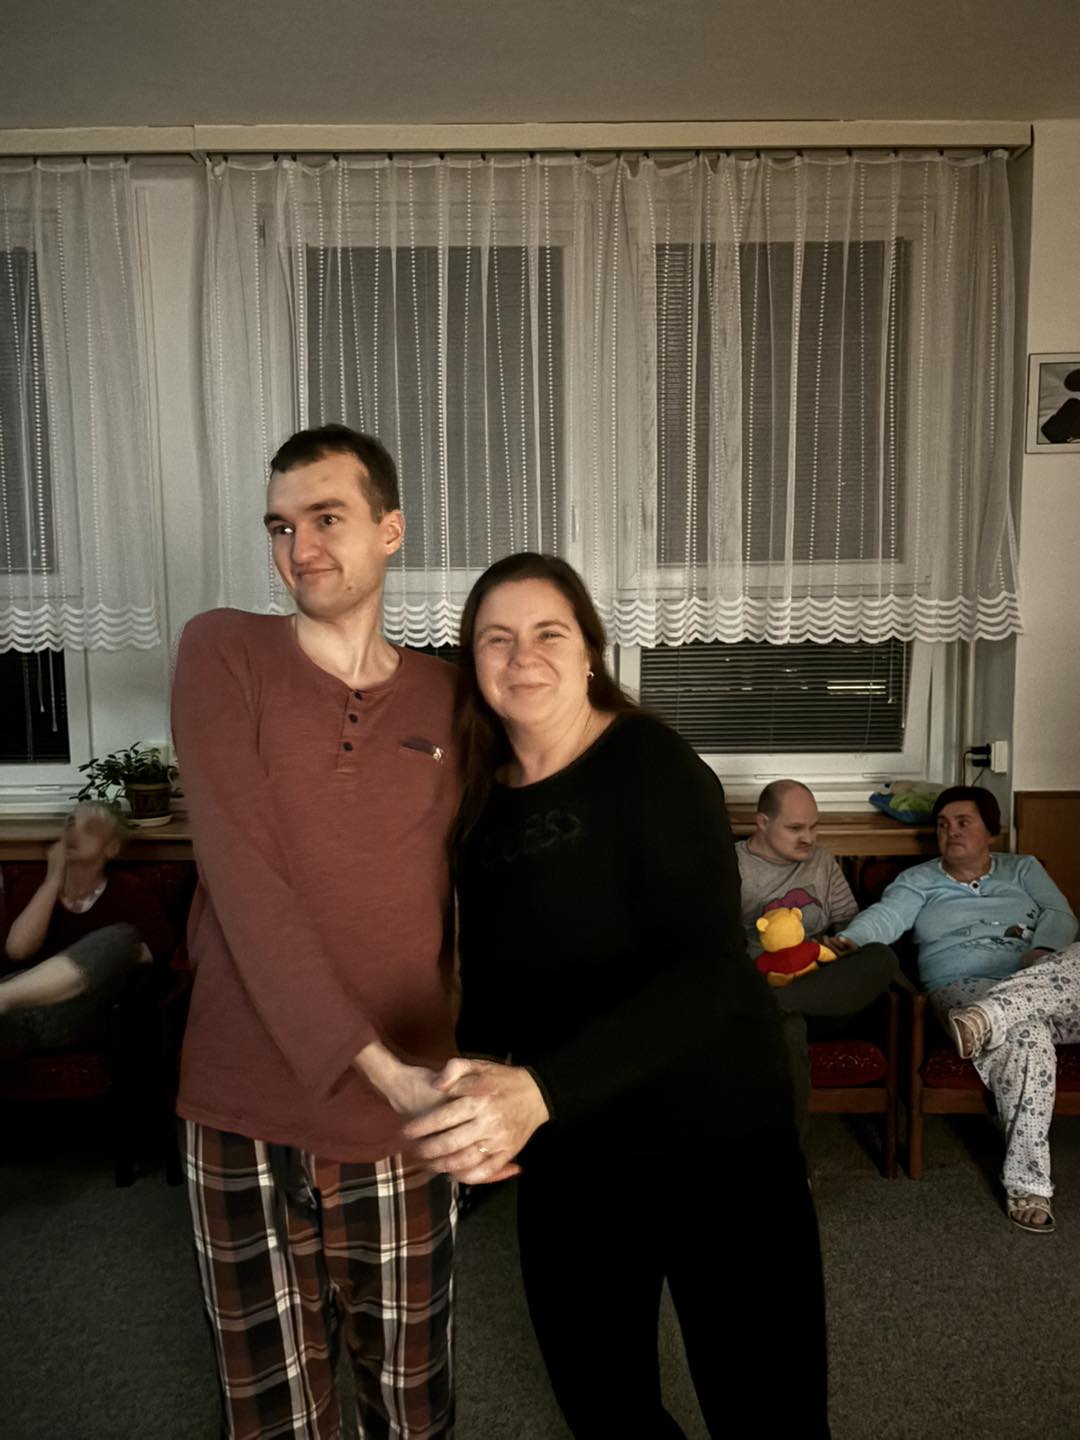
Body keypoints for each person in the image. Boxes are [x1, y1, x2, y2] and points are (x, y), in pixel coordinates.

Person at [403, 552, 830, 1439]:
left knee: (769, 1415)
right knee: (602, 1407)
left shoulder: (652, 764)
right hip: (575, 1153)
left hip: (717, 1136)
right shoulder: (480, 807)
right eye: (497, 639)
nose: (523, 656)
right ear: (472, 663)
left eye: (547, 633)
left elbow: (708, 973)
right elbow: (496, 992)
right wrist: (471, 1093)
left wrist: (536, 1090)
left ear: (589, 650)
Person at [171, 424, 460, 1439]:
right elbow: (244, 880)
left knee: (410, 1405)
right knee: (269, 1415)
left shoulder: (449, 696)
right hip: (242, 1099)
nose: (300, 549)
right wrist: (382, 1070)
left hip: (407, 1116)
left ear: (391, 531)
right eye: (280, 526)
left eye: (327, 519)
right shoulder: (224, 650)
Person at [833, 785, 1078, 1233]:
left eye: (964, 822)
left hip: (1040, 984)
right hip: (964, 988)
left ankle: (994, 1016)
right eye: (943, 825)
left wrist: (1044, 952)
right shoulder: (918, 881)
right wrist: (850, 939)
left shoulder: (1023, 868)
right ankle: (1028, 1185)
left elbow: (1060, 915)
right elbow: (887, 917)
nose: (951, 832)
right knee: (1027, 1034)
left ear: (991, 831)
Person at [737, 780, 898, 1135]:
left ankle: (774, 1005)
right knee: (789, 1027)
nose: (808, 838)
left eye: (814, 827)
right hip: (763, 985)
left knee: (882, 957)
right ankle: (792, 1157)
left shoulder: (822, 862)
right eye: (795, 828)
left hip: (824, 993)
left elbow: (850, 926)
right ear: (762, 822)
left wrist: (844, 941)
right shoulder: (734, 866)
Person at [1, 802, 172, 1055]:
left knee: (122, 937)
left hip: (81, 1013)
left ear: (111, 848)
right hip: (15, 1013)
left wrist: (101, 960)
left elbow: (153, 954)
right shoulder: (33, 885)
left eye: (89, 827)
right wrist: (52, 881)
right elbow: (17, 951)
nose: (75, 831)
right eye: (71, 822)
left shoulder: (130, 892)